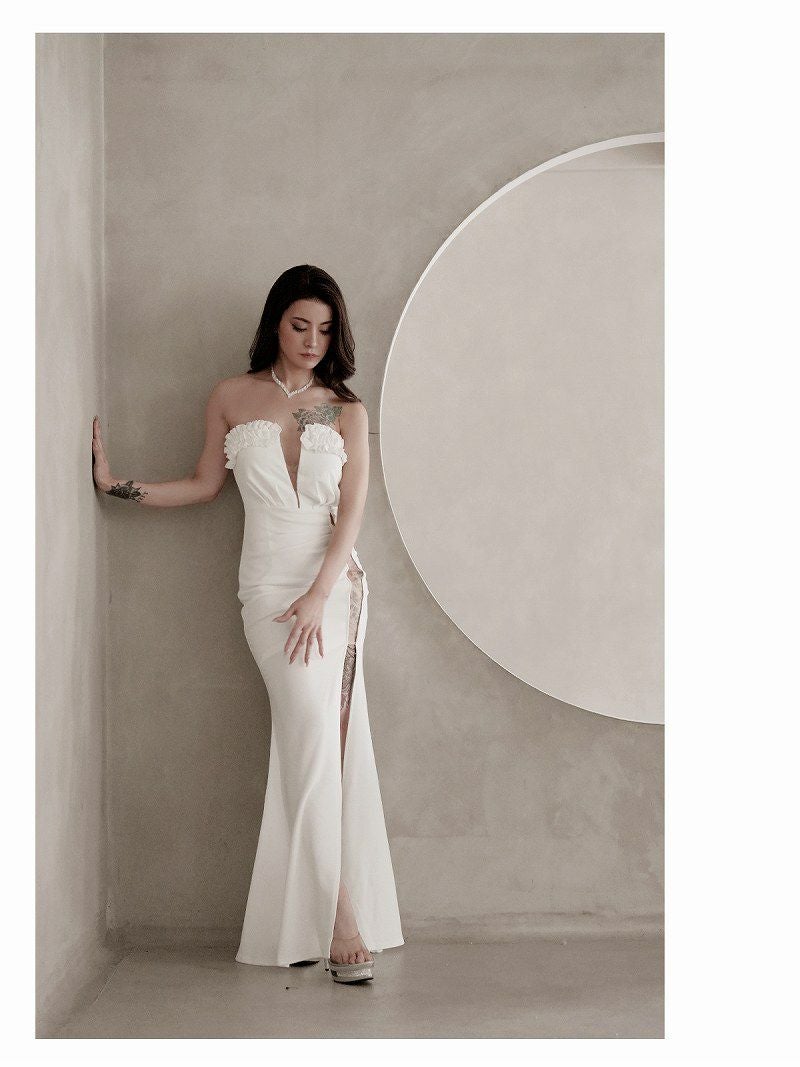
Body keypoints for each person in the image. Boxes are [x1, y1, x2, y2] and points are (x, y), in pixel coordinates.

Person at [92, 264, 404, 984]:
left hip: (334, 590)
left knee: (320, 744)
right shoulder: (232, 396)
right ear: (275, 323)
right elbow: (205, 484)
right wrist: (117, 485)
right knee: (306, 736)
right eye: (300, 325)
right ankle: (334, 915)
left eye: (325, 330)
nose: (312, 341)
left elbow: (352, 514)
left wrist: (322, 593)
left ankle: (340, 919)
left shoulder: (344, 410)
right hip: (266, 590)